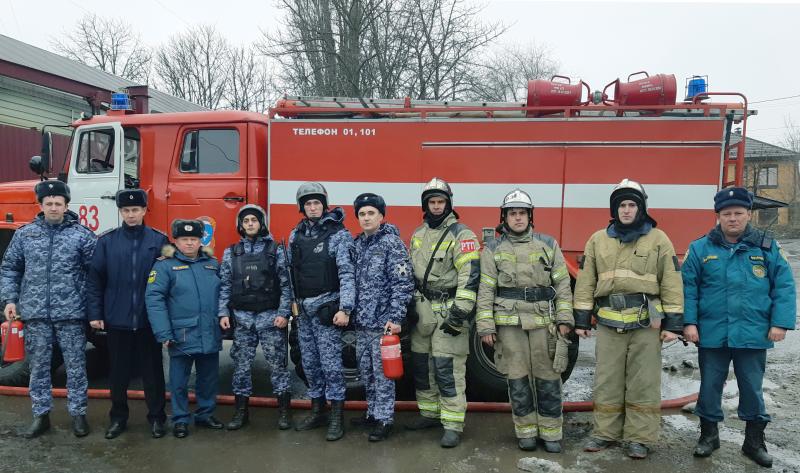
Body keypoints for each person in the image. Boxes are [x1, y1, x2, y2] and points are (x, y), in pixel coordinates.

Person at [682, 187, 796, 468]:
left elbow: (783, 286)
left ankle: (754, 443)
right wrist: (689, 322)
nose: (732, 218)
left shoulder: (767, 247)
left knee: (752, 389)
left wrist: (780, 323)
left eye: (738, 213)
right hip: (711, 333)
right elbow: (688, 289)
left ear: (748, 215)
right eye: (726, 214)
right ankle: (709, 437)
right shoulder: (700, 249)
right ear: (718, 216)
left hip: (753, 333)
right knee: (709, 387)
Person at [573, 178, 684, 459]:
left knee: (643, 381)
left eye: (631, 204)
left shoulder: (659, 240)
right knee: (607, 380)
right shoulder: (598, 240)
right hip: (609, 325)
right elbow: (586, 281)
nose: (626, 210)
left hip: (646, 325)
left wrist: (673, 324)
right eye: (621, 205)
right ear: (615, 209)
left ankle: (639, 438)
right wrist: (582, 319)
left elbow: (671, 282)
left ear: (641, 208)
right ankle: (604, 433)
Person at [476, 189, 574, 453]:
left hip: (544, 322)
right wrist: (485, 326)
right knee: (517, 379)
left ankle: (552, 432)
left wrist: (565, 318)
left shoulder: (548, 244)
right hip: (509, 325)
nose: (517, 218)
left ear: (530, 217)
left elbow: (563, 284)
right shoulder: (493, 249)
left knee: (548, 378)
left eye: (522, 213)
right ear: (504, 218)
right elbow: (485, 289)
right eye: (512, 214)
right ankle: (526, 431)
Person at [0, 180, 96, 438]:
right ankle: (41, 416)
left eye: (58, 203)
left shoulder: (82, 236)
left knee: (76, 367)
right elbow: (10, 269)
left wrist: (87, 304)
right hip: (36, 315)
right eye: (49, 203)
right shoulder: (24, 235)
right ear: (40, 205)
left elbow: (95, 274)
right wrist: (10, 300)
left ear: (66, 205)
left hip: (71, 314)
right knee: (39, 368)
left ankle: (78, 415)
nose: (54, 207)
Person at [87, 189, 168, 439]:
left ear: (144, 211)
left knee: (152, 374)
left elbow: (171, 281)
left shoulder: (159, 241)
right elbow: (95, 280)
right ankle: (118, 418)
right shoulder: (107, 242)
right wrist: (95, 313)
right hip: (117, 319)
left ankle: (157, 418)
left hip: (148, 321)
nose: (131, 215)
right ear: (120, 212)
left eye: (135, 210)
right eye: (126, 210)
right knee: (118, 375)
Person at [406, 177, 481, 448]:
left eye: (441, 202)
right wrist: (410, 306)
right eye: (432, 202)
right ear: (425, 205)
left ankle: (452, 424)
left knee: (447, 368)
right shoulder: (418, 234)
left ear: (449, 204)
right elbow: (410, 274)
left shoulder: (463, 235)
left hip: (450, 311)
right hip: (423, 311)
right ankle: (430, 414)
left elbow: (470, 276)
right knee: (422, 366)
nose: (437, 206)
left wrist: (459, 313)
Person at [288, 182, 355, 441]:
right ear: (302, 208)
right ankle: (318, 411)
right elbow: (290, 273)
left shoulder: (339, 235)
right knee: (310, 364)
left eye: (317, 203)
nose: (313, 207)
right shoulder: (296, 235)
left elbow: (347, 274)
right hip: (303, 312)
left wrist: (345, 308)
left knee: (331, 367)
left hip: (327, 309)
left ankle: (337, 415)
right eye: (308, 204)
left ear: (324, 205)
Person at [145, 219, 224, 439]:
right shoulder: (164, 266)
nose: (189, 243)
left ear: (201, 241)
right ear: (176, 241)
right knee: (179, 381)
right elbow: (154, 300)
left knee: (208, 378)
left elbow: (224, 295)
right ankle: (180, 419)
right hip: (181, 334)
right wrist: (163, 332)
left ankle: (205, 414)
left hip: (209, 331)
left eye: (194, 239)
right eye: (184, 239)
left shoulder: (212, 264)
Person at [218, 204, 294, 431]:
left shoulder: (276, 250)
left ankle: (283, 412)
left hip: (270, 319)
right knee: (241, 368)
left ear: (262, 223)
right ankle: (241, 412)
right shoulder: (231, 252)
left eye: (254, 220)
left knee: (278, 367)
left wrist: (283, 314)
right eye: (246, 220)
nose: (250, 224)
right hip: (242, 319)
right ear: (240, 225)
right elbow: (224, 286)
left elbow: (286, 284)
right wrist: (223, 312)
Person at [350, 193, 415, 442]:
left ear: (381, 216)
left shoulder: (392, 243)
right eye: (362, 214)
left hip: (384, 324)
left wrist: (396, 316)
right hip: (363, 323)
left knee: (383, 375)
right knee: (366, 372)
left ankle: (385, 419)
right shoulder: (358, 245)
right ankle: (372, 412)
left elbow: (403, 283)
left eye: (371, 213)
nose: (366, 218)